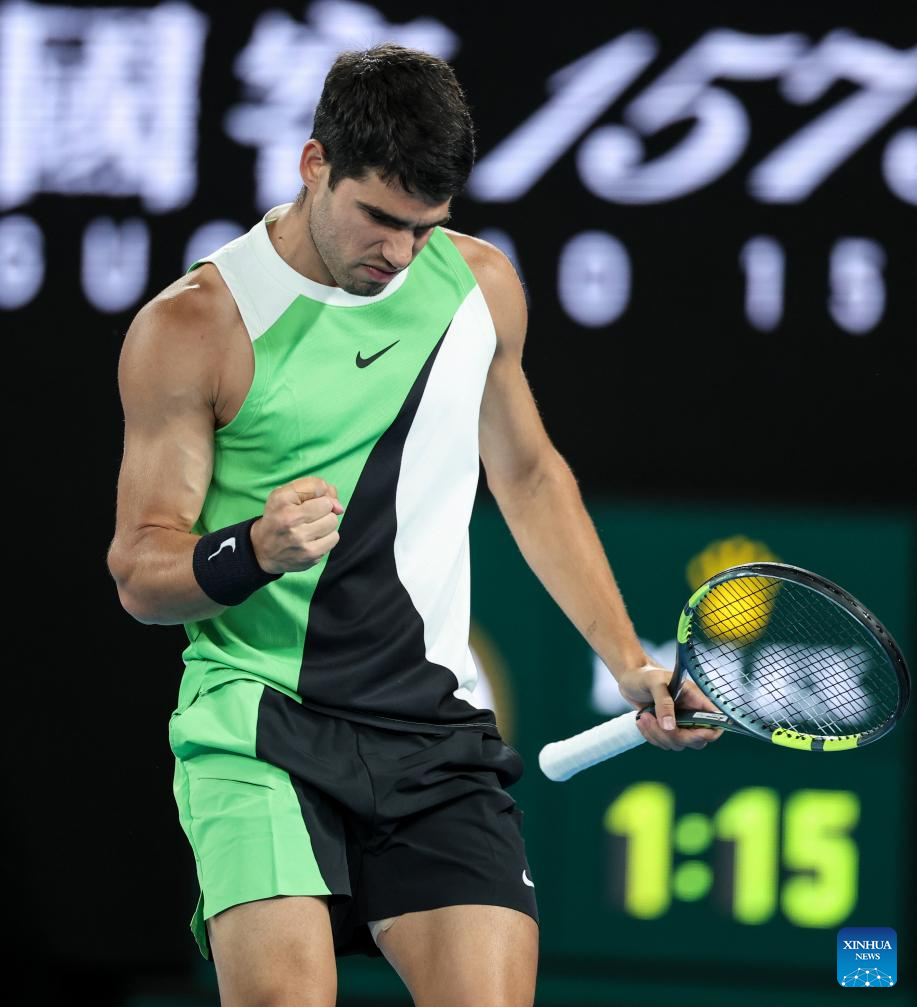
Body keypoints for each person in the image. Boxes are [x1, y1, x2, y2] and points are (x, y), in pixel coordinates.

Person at [107, 42, 723, 1007]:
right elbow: (141, 577)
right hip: (260, 724)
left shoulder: (477, 286)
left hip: (433, 731)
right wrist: (253, 549)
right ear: (315, 165)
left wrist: (627, 661)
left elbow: (528, 476)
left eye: (424, 227)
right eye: (379, 218)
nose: (397, 253)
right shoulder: (194, 327)